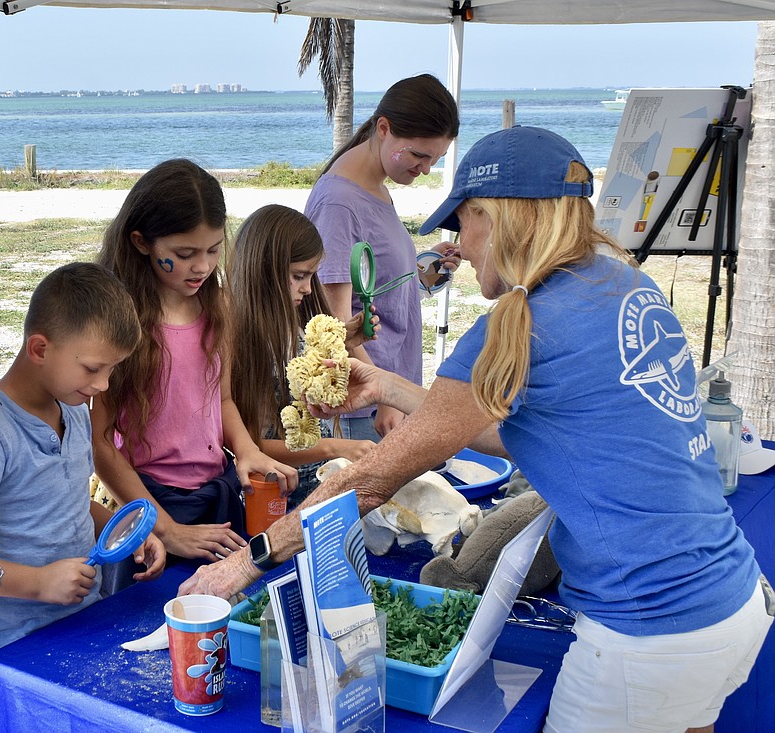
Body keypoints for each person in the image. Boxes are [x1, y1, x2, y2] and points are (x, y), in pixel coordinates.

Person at [182, 126, 773, 733]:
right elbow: (518, 429)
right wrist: (389, 387)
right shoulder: (622, 282)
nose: (457, 245)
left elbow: (372, 482)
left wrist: (247, 563)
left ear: (497, 217)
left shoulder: (518, 327)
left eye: (462, 222)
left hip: (649, 630)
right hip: (734, 599)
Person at [0, 262, 166, 733]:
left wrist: (119, 528)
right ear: (40, 348)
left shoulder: (74, 407)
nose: (103, 385)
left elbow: (64, 499)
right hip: (9, 655)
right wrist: (36, 583)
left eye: (111, 370)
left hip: (75, 629)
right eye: (94, 368)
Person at [93, 159, 298, 563]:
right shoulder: (118, 317)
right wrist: (167, 531)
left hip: (219, 493)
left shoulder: (217, 305)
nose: (202, 266)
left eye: (213, 250)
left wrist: (247, 450)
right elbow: (100, 445)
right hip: (151, 504)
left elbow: (220, 402)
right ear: (140, 242)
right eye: (184, 253)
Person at [304, 74, 461, 443]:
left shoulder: (374, 187)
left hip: (391, 391)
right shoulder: (339, 203)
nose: (424, 169)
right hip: (366, 404)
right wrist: (384, 392)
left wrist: (422, 269)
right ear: (384, 128)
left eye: (434, 160)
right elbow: (335, 323)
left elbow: (373, 286)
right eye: (419, 155)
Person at [228, 203, 378, 509]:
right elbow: (255, 443)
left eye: (311, 276)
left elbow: (351, 387)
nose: (308, 288)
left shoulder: (293, 325)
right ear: (264, 268)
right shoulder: (245, 340)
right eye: (298, 276)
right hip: (276, 498)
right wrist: (335, 448)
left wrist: (343, 343)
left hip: (315, 488)